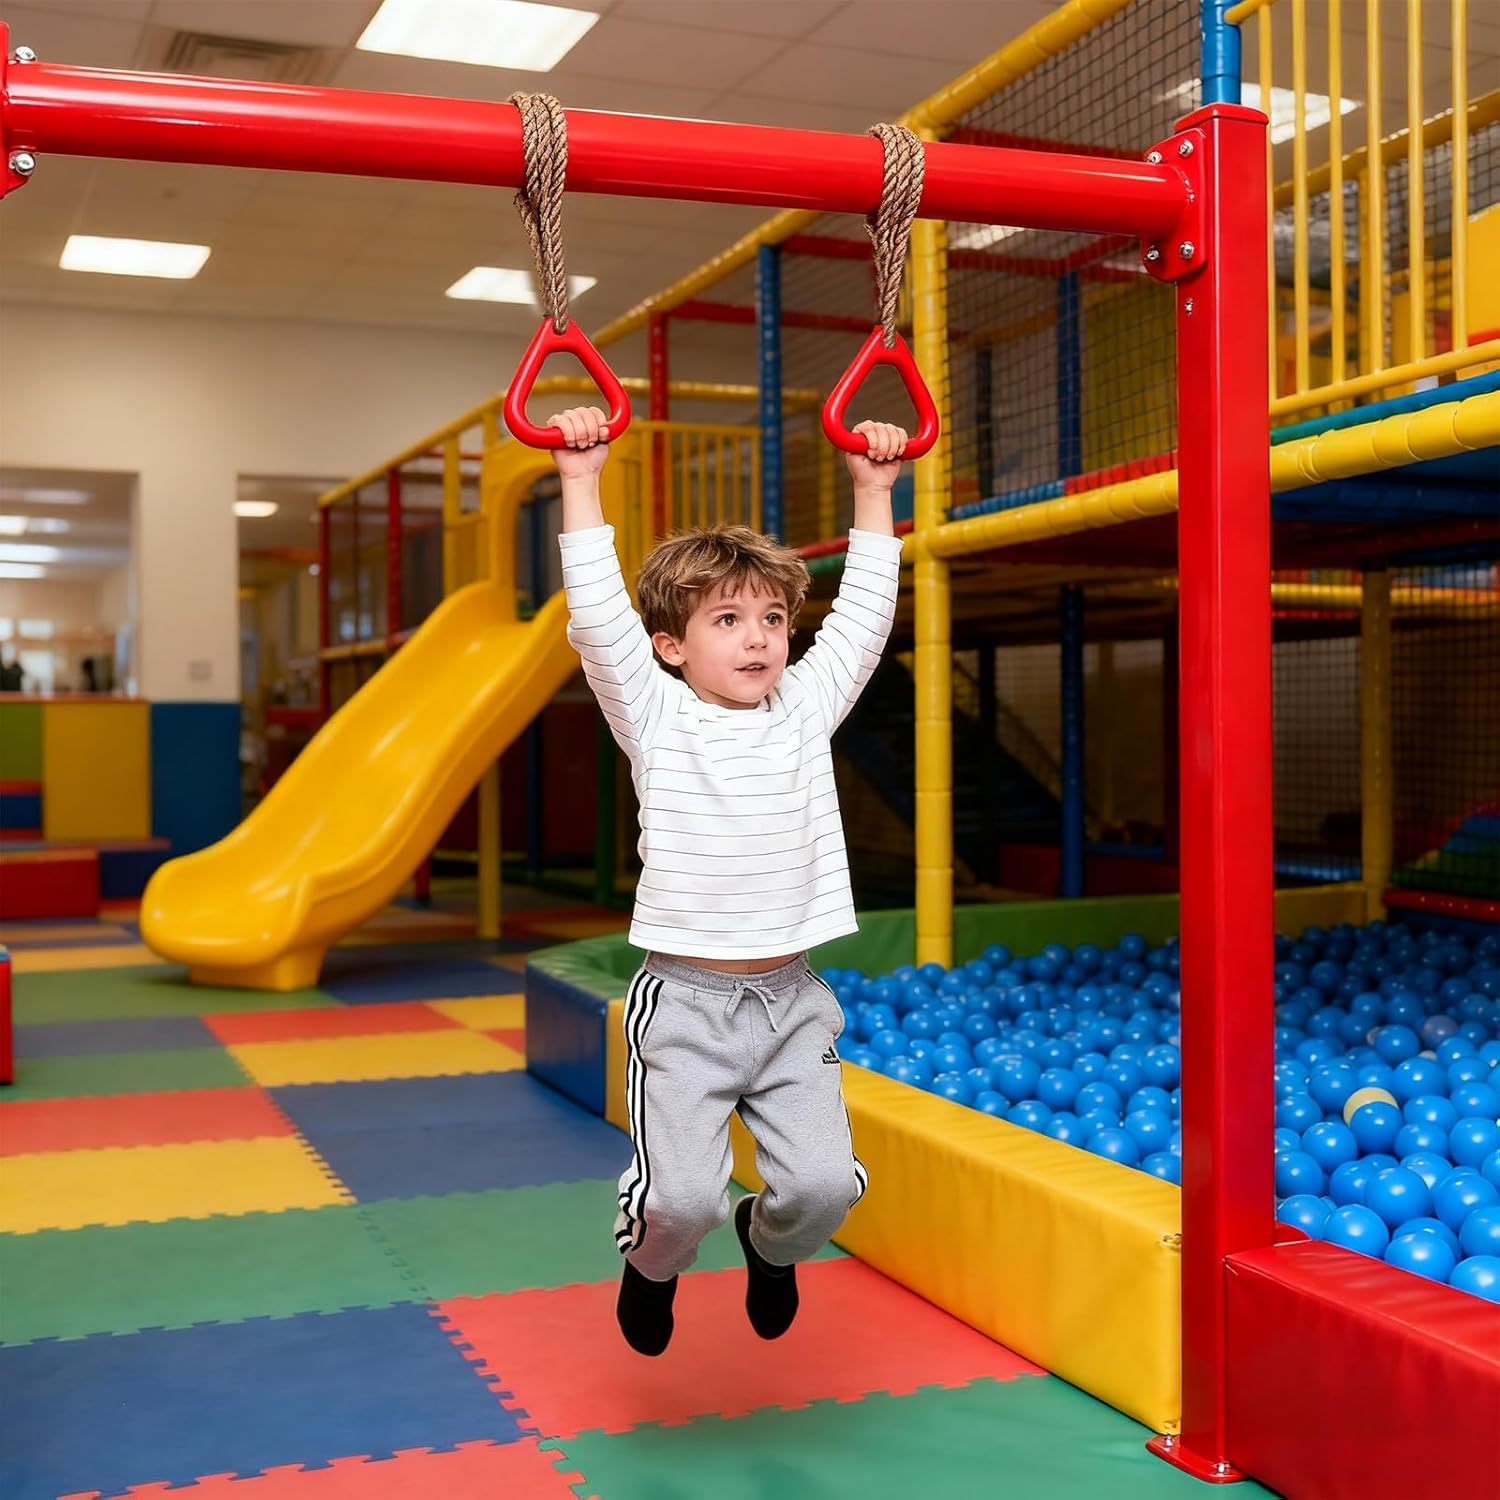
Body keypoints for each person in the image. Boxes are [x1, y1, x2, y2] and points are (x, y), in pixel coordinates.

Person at [551, 404, 908, 1356]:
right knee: (680, 1201)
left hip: (791, 1001)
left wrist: (874, 491)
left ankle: (769, 1245)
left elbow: (864, 622)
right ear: (671, 645)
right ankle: (652, 1267)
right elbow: (598, 619)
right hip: (686, 1005)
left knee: (823, 1189)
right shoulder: (656, 715)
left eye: (773, 619)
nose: (758, 640)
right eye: (727, 620)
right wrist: (581, 479)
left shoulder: (804, 709)